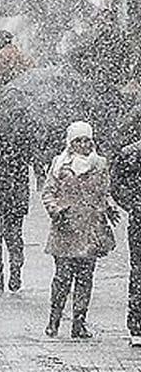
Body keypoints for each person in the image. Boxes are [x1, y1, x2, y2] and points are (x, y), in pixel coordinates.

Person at [41, 120, 117, 339]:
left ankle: (79, 323)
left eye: (87, 140)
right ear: (70, 143)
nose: (84, 145)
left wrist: (109, 206)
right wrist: (55, 209)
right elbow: (48, 192)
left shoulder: (100, 164)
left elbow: (105, 192)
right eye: (78, 141)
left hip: (90, 229)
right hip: (65, 229)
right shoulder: (59, 164)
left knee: (85, 278)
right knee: (62, 278)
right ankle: (54, 320)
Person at [0, 126, 34, 293]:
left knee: (4, 242)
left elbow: (21, 181)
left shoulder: (11, 151)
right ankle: (1, 278)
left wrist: (21, 204)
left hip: (3, 202)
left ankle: (7, 276)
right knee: (2, 242)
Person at [113, 132, 141, 346]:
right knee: (139, 271)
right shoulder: (132, 153)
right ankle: (137, 324)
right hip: (139, 222)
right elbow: (117, 185)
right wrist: (135, 205)